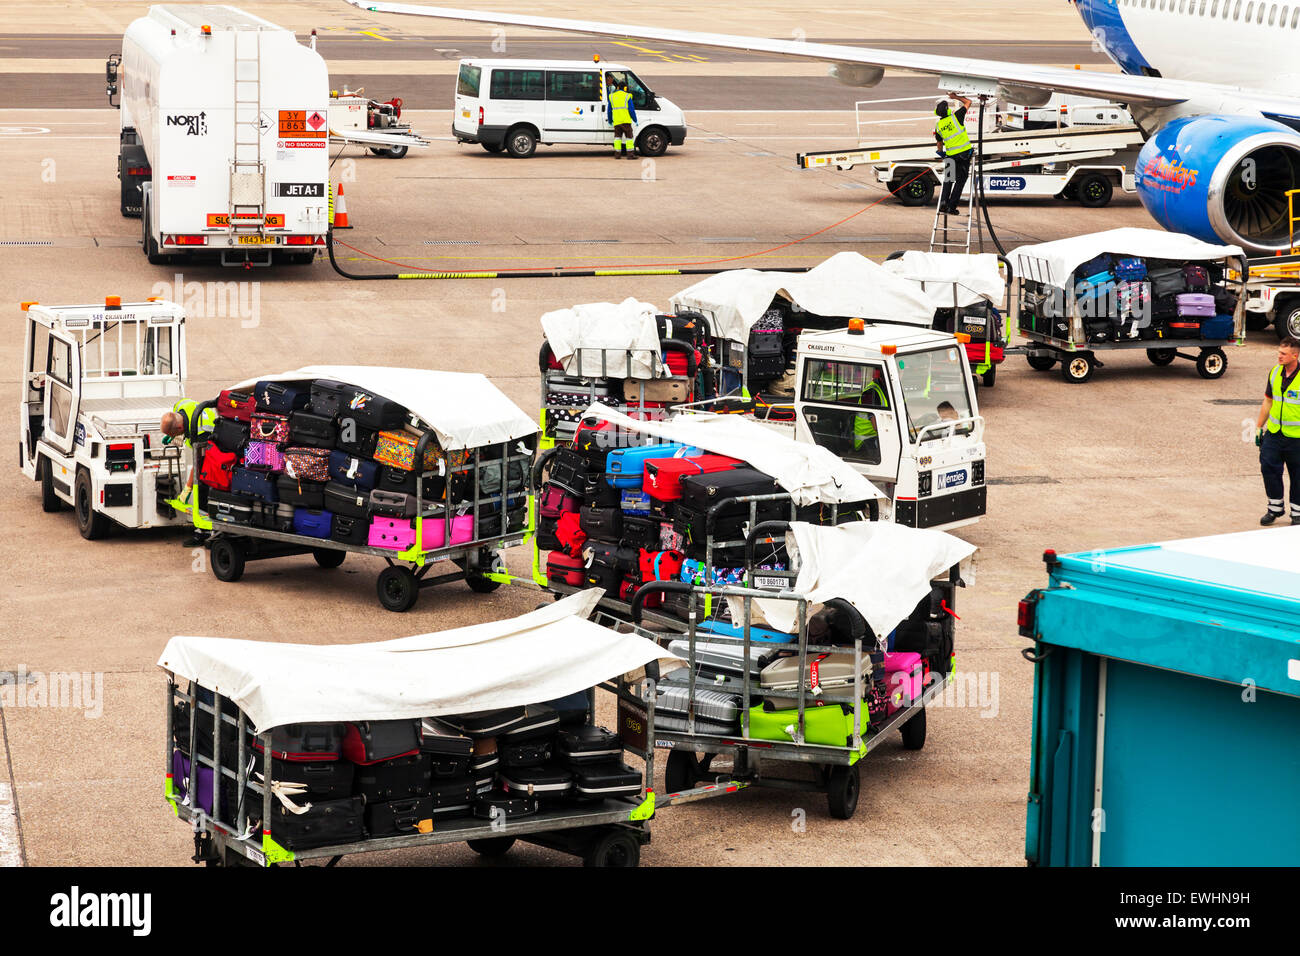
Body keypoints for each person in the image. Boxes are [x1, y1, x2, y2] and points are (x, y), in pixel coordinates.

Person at [1255, 336, 1300, 525]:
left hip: (1296, 437)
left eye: (1283, 354)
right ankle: (1275, 508)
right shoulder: (1274, 372)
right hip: (1274, 433)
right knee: (1268, 468)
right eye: (1279, 353)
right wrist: (1258, 427)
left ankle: (1297, 512)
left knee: (1298, 474)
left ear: (1295, 355)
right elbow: (1268, 401)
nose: (1279, 356)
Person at [160, 398, 217, 546]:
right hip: (198, 435)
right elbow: (175, 417)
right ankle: (203, 531)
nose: (173, 437)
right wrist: (171, 435)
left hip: (215, 447)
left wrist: (188, 488)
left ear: (179, 428)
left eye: (173, 434)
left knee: (203, 485)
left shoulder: (201, 430)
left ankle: (206, 533)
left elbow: (200, 463)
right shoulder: (179, 407)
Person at [934, 94, 974, 216]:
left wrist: (941, 153)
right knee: (961, 180)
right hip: (963, 155)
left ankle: (943, 204)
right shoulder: (956, 117)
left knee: (948, 180)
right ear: (948, 110)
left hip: (950, 156)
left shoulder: (938, 126)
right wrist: (955, 97)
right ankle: (952, 207)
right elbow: (968, 102)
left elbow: (939, 144)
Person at [607, 81, 638, 159]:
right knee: (629, 138)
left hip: (617, 122)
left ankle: (617, 155)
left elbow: (609, 110)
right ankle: (630, 155)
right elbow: (631, 110)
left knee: (617, 138)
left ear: (617, 88)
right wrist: (635, 120)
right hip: (626, 121)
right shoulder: (627, 96)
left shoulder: (612, 96)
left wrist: (610, 120)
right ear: (625, 88)